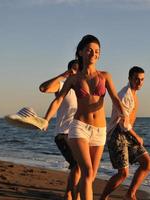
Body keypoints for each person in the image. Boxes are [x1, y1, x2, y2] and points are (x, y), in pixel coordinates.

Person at [42, 34, 127, 200]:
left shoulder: (105, 76)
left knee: (91, 177)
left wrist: (125, 115)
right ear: (80, 52)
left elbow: (116, 98)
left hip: (100, 130)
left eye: (97, 51)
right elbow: (59, 99)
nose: (93, 54)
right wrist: (46, 119)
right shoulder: (73, 78)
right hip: (80, 127)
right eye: (89, 50)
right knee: (87, 172)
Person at [100, 66, 150, 200]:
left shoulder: (133, 94)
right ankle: (103, 198)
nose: (140, 82)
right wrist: (137, 137)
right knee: (123, 173)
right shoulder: (125, 95)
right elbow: (122, 123)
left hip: (127, 135)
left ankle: (130, 194)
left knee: (148, 164)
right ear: (129, 78)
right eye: (136, 79)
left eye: (142, 79)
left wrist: (133, 136)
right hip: (117, 135)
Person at [39, 59, 81, 200]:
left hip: (79, 135)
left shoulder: (82, 90)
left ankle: (69, 194)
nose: (76, 73)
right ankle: (72, 195)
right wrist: (61, 76)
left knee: (78, 166)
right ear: (69, 72)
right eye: (73, 70)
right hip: (63, 134)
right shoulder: (62, 86)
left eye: (79, 71)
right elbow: (43, 88)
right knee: (77, 165)